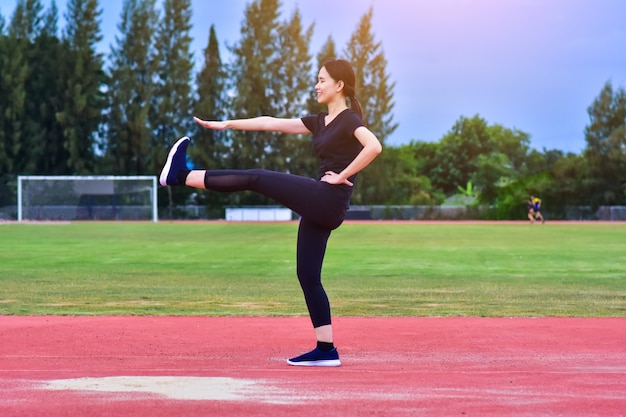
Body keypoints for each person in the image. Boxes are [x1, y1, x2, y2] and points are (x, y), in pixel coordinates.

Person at [159, 58, 382, 367]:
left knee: (258, 177)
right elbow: (271, 122)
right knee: (307, 275)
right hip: (322, 206)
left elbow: (374, 147)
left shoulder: (349, 119)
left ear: (339, 85)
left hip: (328, 198)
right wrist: (228, 124)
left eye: (321, 80)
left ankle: (181, 176)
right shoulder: (319, 121)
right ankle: (326, 349)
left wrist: (343, 175)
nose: (316, 85)